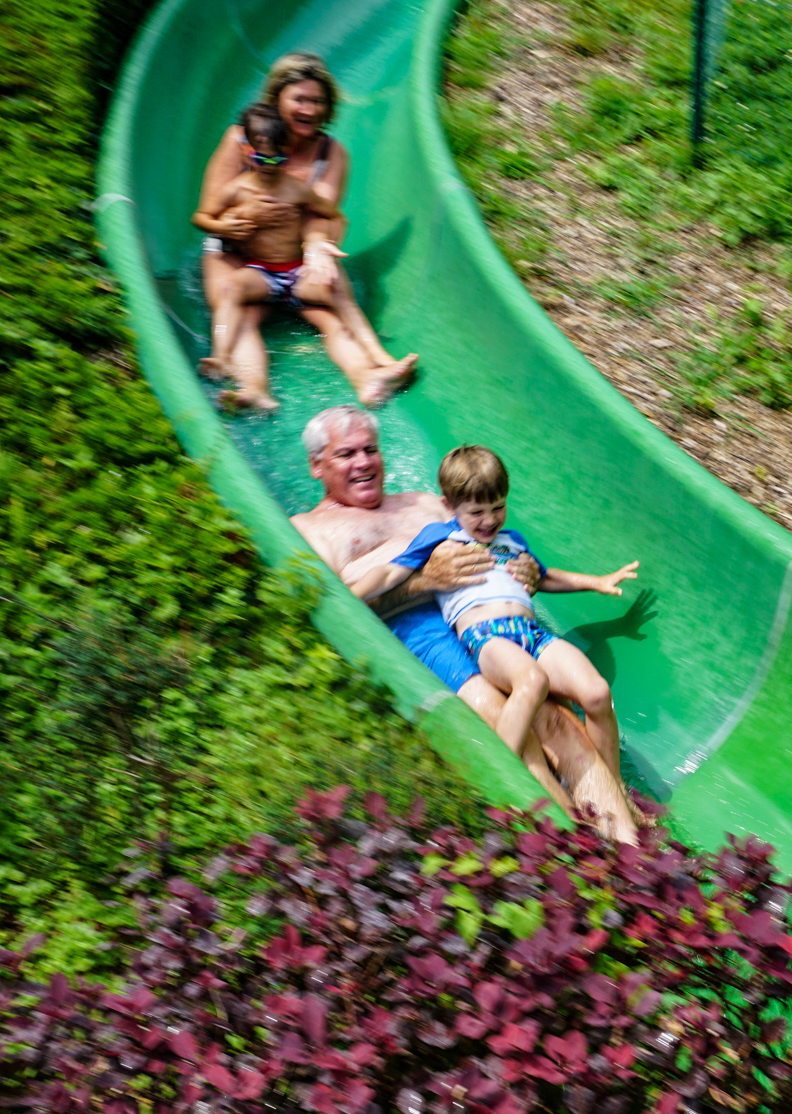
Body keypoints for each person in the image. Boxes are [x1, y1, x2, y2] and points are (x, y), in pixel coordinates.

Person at [288, 407, 641, 841]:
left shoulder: (423, 503)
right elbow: (335, 610)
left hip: (491, 625)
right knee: (507, 722)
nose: (363, 462)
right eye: (346, 454)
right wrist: (424, 581)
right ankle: (574, 840)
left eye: (370, 450)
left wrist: (528, 573)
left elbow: (490, 538)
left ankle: (626, 843)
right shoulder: (311, 531)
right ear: (316, 465)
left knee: (556, 719)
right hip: (420, 633)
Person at [351, 447, 636, 781]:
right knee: (532, 681)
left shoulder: (512, 541)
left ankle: (616, 787)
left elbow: (544, 578)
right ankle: (502, 776)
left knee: (597, 693)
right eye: (477, 512)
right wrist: (353, 595)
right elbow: (388, 574)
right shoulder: (441, 537)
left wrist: (596, 582)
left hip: (533, 634)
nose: (489, 520)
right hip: (487, 636)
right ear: (449, 506)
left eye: (498, 507)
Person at [192, 53, 415, 409]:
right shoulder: (240, 140)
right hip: (236, 253)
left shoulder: (331, 153)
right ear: (276, 99)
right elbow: (209, 208)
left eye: (318, 101)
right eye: (300, 99)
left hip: (293, 261)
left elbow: (322, 213)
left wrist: (315, 245)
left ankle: (370, 376)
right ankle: (253, 388)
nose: (309, 110)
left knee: (331, 310)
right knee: (239, 314)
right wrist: (234, 223)